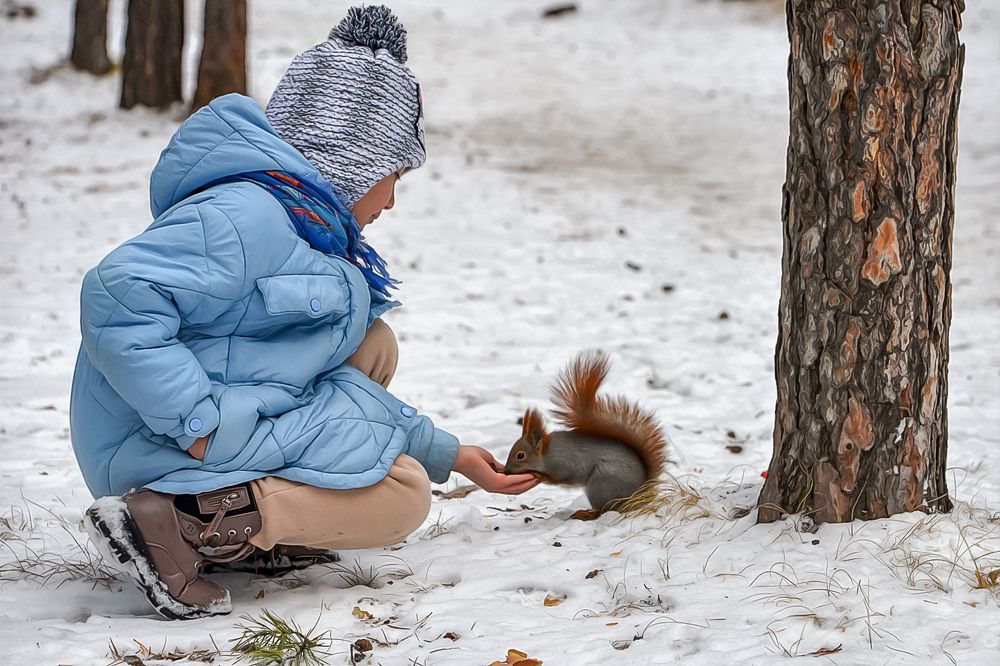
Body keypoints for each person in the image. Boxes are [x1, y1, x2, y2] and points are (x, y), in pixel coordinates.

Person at [71, 6, 538, 620]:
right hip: (157, 436)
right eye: (393, 175)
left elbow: (314, 379)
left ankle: (254, 532)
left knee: (371, 345)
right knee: (402, 494)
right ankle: (180, 523)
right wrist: (196, 420)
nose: (392, 201)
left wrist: (445, 449)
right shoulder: (247, 217)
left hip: (209, 410)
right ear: (354, 162)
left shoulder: (301, 224)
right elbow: (117, 291)